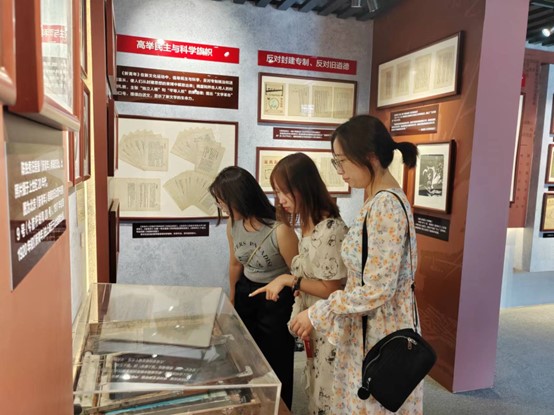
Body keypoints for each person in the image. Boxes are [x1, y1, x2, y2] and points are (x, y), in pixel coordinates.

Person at [290, 115, 424, 414]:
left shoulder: (386, 205)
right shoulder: (379, 200)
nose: (339, 171)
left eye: (342, 161)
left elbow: (377, 289)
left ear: (370, 157)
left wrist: (320, 311)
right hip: (370, 325)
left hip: (379, 331)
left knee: (373, 403)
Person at [249, 153, 349, 415]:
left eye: (285, 192)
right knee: (316, 387)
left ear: (303, 187)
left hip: (330, 322)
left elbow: (332, 289)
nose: (280, 199)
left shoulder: (331, 229)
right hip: (312, 321)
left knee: (330, 393)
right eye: (277, 192)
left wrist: (288, 279)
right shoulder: (307, 225)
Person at [208, 166, 299, 409]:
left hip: (275, 299)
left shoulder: (280, 230)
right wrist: (232, 298)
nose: (221, 206)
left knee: (276, 360)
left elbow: (298, 274)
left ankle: (279, 408)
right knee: (245, 356)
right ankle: (250, 407)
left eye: (223, 200)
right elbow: (235, 263)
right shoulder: (233, 223)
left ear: (239, 198)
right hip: (246, 292)